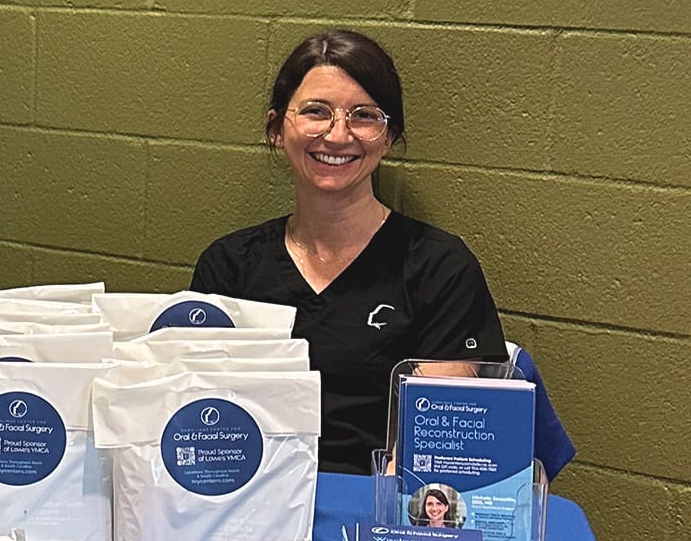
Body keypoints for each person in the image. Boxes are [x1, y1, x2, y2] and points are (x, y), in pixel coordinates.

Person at [191, 29, 504, 474]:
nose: (338, 135)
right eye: (316, 111)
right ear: (277, 128)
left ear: (388, 137)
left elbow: (436, 446)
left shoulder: (439, 269)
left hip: (380, 500)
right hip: (251, 497)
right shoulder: (228, 267)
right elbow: (198, 415)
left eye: (364, 116)